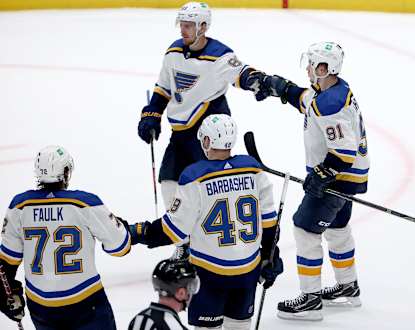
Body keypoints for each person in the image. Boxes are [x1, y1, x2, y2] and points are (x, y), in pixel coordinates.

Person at [129, 114, 284, 329]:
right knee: (239, 326)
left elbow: (174, 229)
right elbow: (269, 222)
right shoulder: (254, 169)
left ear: (207, 141)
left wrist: (140, 232)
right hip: (248, 272)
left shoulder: (194, 176)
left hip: (209, 274)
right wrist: (271, 254)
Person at [255, 42, 370, 321]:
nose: (307, 68)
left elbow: (343, 151)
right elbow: (306, 100)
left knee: (305, 230)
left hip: (337, 178)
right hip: (349, 178)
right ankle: (347, 287)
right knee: (337, 229)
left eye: (311, 65)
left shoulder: (329, 104)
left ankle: (310, 299)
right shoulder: (333, 91)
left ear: (323, 68)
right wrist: (280, 88)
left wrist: (323, 173)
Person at [137, 1, 272, 214]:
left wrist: (256, 81)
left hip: (208, 133)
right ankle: (182, 244)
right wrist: (152, 114)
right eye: (181, 24)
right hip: (180, 133)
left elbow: (240, 72)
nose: (183, 29)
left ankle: (208, 238)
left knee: (208, 187)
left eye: (189, 25)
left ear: (203, 26)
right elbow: (164, 88)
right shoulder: (173, 52)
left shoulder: (219, 55)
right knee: (169, 183)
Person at [0, 146, 131, 329]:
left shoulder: (19, 206)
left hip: (41, 307)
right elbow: (120, 247)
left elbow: (5, 265)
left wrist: (7, 294)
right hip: (86, 302)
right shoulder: (85, 203)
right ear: (66, 171)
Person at [128, 258, 199, 330]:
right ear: (181, 293)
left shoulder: (139, 319)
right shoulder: (174, 326)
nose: (191, 293)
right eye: (190, 287)